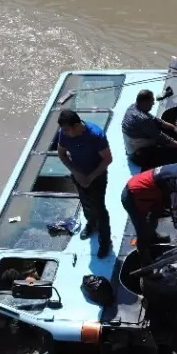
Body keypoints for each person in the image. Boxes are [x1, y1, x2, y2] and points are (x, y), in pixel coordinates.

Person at [121, 148, 177, 268]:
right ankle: (146, 265)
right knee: (142, 232)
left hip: (154, 194)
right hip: (133, 197)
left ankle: (153, 237)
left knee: (155, 215)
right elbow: (176, 210)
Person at [57, 109, 113, 258]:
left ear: (76, 125)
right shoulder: (65, 133)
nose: (65, 133)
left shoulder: (95, 135)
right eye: (64, 130)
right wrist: (76, 172)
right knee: (85, 202)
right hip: (78, 174)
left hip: (97, 177)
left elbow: (107, 159)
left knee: (99, 208)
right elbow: (61, 153)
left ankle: (105, 241)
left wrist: (91, 177)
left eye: (68, 130)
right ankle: (91, 224)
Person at [122, 89, 177, 171]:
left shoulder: (134, 107)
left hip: (144, 140)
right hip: (139, 155)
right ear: (144, 102)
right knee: (175, 154)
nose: (153, 104)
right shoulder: (142, 119)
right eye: (151, 102)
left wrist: (174, 128)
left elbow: (157, 121)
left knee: (171, 131)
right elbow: (160, 137)